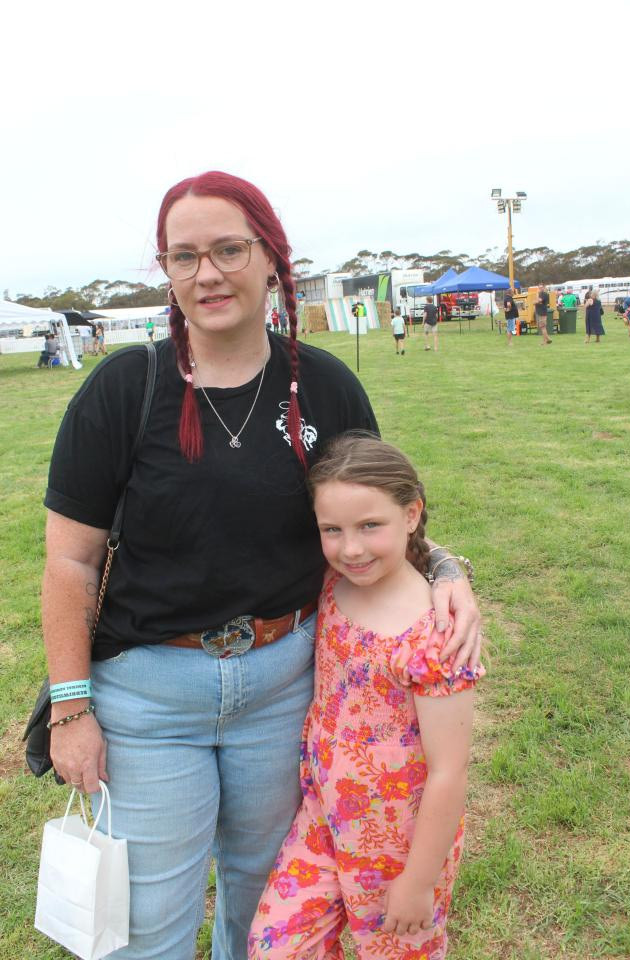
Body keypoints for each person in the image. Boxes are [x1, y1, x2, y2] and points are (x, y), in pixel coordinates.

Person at [41, 171, 482, 960]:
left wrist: (449, 575)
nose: (207, 273)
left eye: (228, 249)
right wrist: (74, 709)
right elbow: (70, 563)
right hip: (148, 700)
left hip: (285, 689)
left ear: (272, 260)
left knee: (268, 906)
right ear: (167, 273)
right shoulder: (123, 390)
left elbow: (377, 516)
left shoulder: (327, 386)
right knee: (149, 925)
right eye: (184, 257)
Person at [249, 434, 483, 960]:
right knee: (277, 945)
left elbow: (450, 771)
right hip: (322, 816)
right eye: (332, 530)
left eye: (369, 526)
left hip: (399, 846)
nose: (350, 548)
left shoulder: (436, 637)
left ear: (412, 513)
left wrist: (419, 881)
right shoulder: (332, 583)